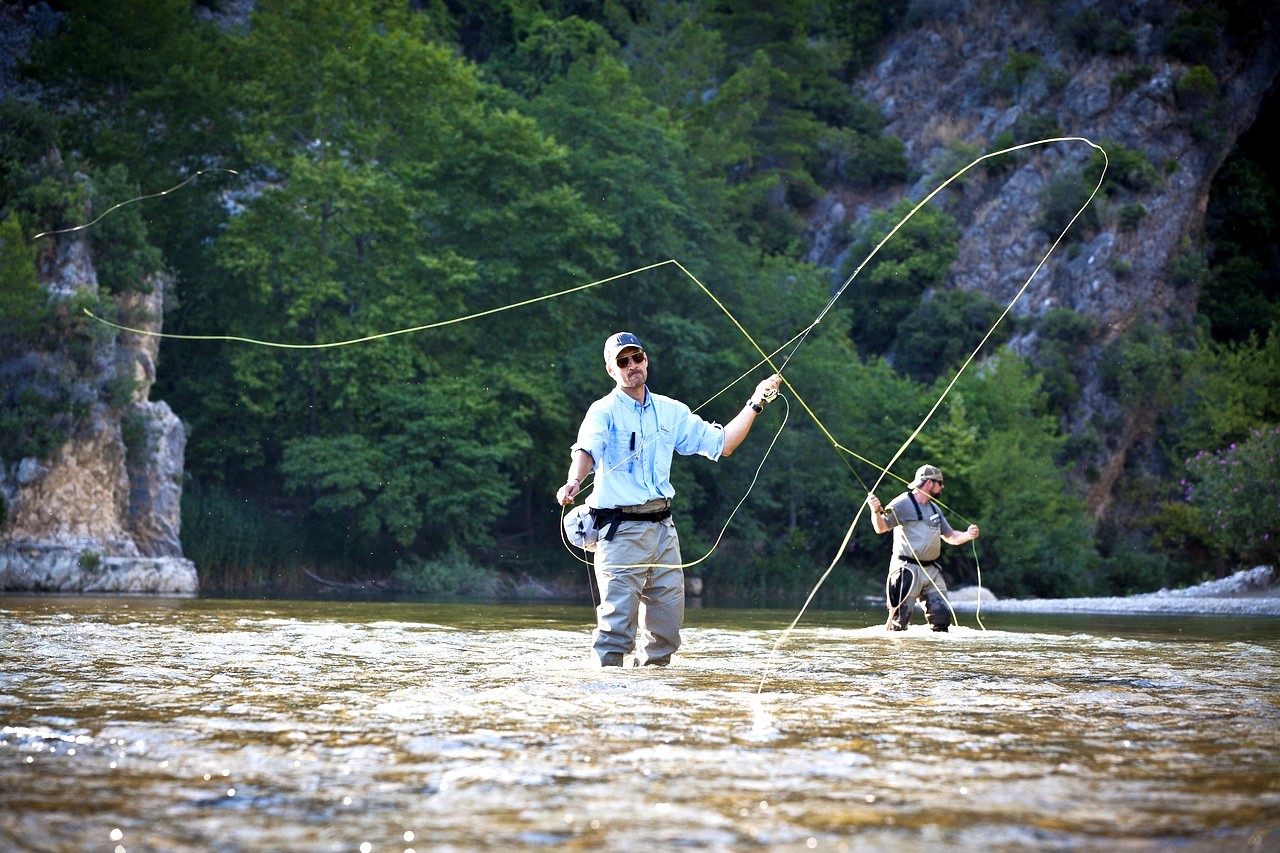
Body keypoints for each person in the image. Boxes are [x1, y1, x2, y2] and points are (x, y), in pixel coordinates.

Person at [557, 332, 781, 667]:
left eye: (638, 358)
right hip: (619, 532)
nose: (633, 366)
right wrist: (574, 481)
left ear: (645, 359)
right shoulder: (602, 410)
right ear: (611, 370)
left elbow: (723, 444)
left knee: (667, 633)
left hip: (664, 531)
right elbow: (587, 449)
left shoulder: (672, 410)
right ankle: (607, 706)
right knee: (615, 631)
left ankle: (653, 705)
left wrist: (756, 401)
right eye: (623, 361)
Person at [865, 464, 979, 632]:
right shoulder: (902, 503)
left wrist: (968, 535)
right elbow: (881, 528)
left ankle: (932, 657)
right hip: (906, 570)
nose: (942, 486)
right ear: (929, 483)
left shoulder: (934, 509)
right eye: (940, 483)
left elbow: (950, 536)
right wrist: (874, 511)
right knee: (898, 624)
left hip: (931, 571)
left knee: (942, 621)